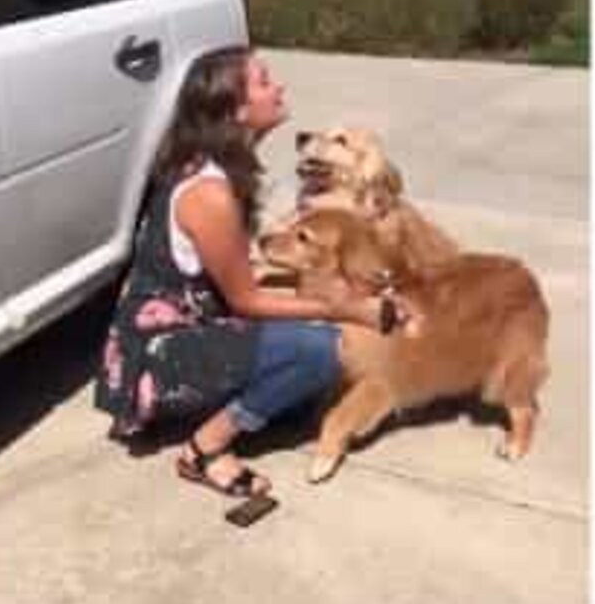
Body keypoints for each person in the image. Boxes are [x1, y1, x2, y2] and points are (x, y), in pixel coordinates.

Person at [94, 46, 397, 498]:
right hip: (154, 359)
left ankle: (239, 399)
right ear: (236, 110)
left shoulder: (215, 167)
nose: (279, 88)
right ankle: (205, 449)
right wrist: (353, 310)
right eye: (264, 81)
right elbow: (246, 300)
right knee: (321, 350)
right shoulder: (210, 192)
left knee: (307, 354)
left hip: (190, 326)